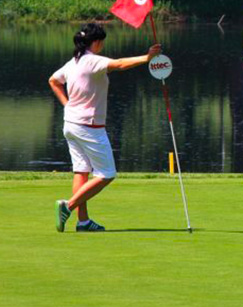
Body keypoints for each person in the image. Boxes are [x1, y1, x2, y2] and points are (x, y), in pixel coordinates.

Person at [49, 23, 162, 232]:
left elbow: (53, 81)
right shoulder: (92, 60)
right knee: (107, 173)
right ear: (96, 42)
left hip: (71, 125)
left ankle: (83, 222)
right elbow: (119, 64)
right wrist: (146, 58)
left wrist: (67, 104)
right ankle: (68, 206)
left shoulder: (74, 62)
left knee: (81, 171)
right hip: (89, 126)